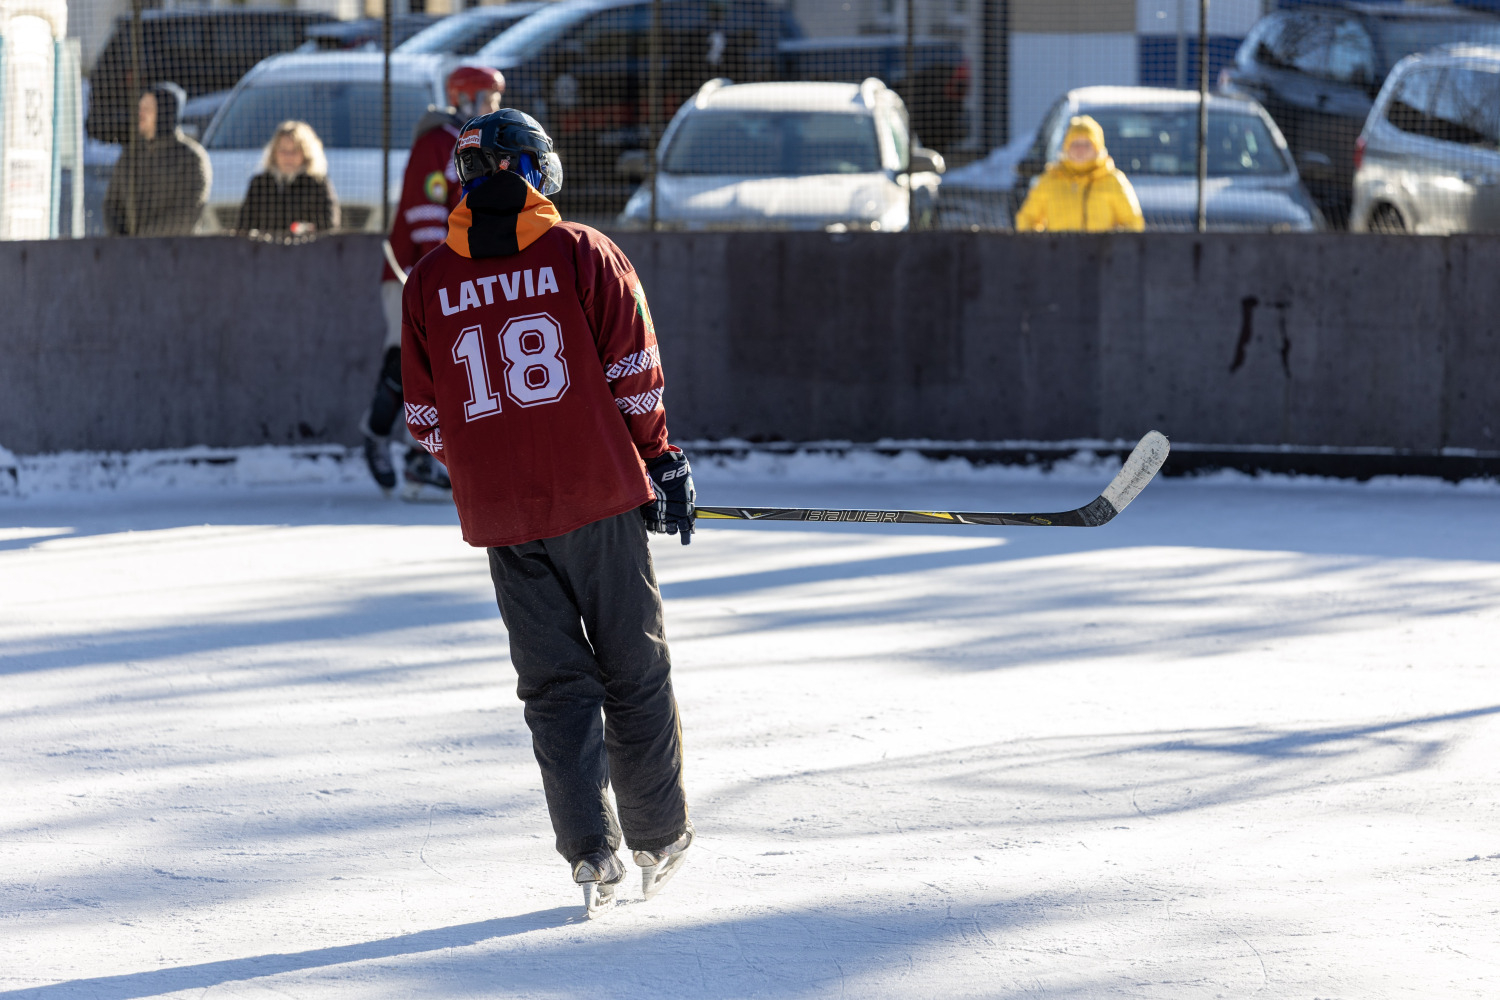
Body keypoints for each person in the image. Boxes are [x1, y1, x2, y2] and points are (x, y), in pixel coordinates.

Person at [401, 109, 695, 914]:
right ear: (531, 171)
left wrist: (502, 466)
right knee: (633, 668)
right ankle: (657, 836)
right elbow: (634, 372)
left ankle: (590, 853)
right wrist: (659, 457)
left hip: (505, 520)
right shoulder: (581, 252)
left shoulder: (428, 280)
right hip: (598, 499)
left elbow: (428, 421)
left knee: (556, 687)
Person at [360, 65, 507, 497]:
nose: (493, 107)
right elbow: (423, 212)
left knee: (441, 363)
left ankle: (421, 456)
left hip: (448, 272)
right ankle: (376, 434)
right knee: (405, 355)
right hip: (412, 271)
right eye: (487, 99)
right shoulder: (438, 140)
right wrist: (436, 271)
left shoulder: (471, 142)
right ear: (463, 99)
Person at [102, 83, 211, 236]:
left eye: (147, 109)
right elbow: (111, 205)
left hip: (175, 253)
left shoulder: (192, 158)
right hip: (130, 254)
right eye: (140, 108)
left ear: (164, 114)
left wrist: (143, 239)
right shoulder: (131, 155)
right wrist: (122, 240)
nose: (140, 114)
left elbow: (187, 213)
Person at [1014, 115, 1145, 234]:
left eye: (1087, 144)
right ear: (1066, 147)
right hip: (1058, 256)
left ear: (1097, 148)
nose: (1080, 150)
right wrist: (1039, 247)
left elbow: (1133, 223)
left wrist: (1115, 248)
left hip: (1102, 257)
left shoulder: (1113, 181)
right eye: (1075, 144)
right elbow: (1026, 219)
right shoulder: (1049, 180)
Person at [237, 121, 339, 237]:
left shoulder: (318, 184)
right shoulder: (260, 184)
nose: (288, 156)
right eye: (283, 150)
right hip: (265, 252)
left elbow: (329, 226)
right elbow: (243, 227)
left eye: (294, 150)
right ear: (274, 153)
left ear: (306, 153)